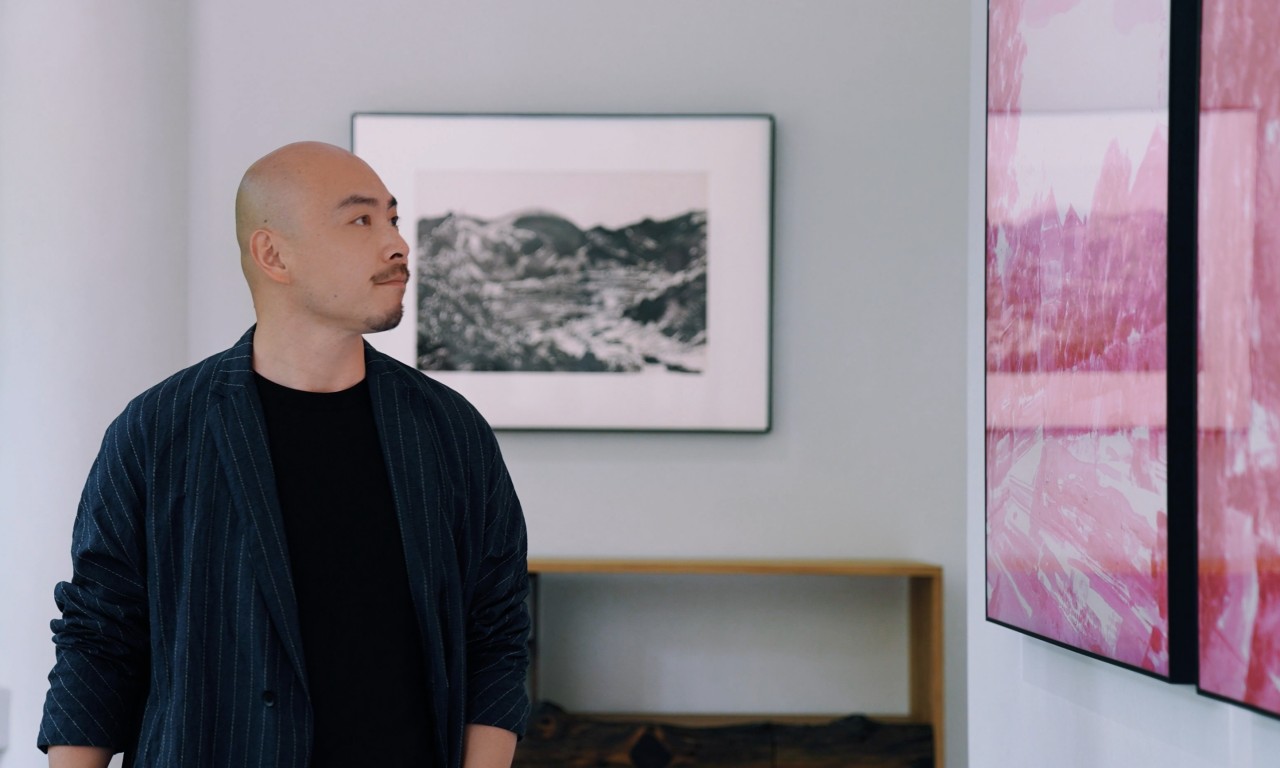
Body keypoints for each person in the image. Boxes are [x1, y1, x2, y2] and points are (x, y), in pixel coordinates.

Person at [38, 142, 531, 768]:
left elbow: (496, 633)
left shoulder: (450, 431)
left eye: (392, 218)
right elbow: (98, 636)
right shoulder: (158, 429)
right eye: (361, 220)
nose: (397, 244)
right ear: (273, 254)